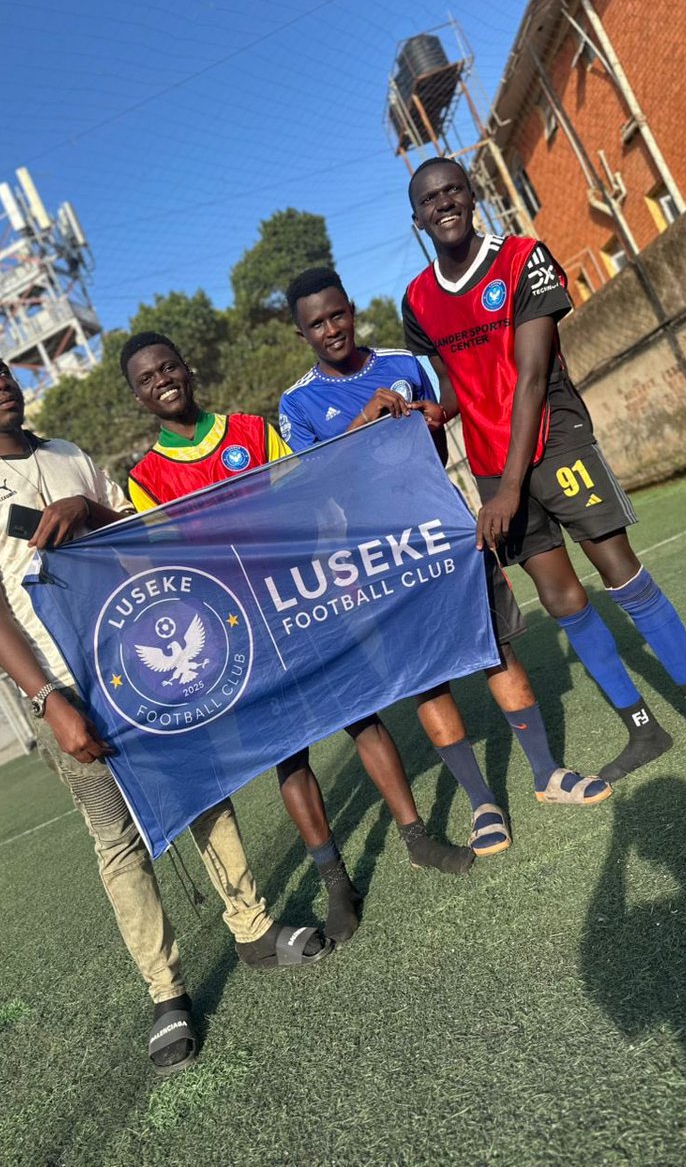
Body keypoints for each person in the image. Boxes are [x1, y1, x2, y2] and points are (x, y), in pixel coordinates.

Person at [0, 330, 334, 1078]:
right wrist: (49, 699)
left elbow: (135, 541)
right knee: (117, 841)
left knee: (205, 798)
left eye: (2, 371)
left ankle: (252, 928)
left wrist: (90, 506)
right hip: (63, 689)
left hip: (139, 670)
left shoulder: (70, 455)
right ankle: (168, 994)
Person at [401, 157, 686, 784]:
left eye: (454, 189)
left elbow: (530, 376)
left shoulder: (522, 258)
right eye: (431, 199)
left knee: (619, 572)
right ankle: (643, 728)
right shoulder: (418, 300)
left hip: (552, 441)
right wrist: (434, 412)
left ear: (473, 194)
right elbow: (462, 383)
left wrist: (508, 489)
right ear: (417, 217)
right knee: (562, 598)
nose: (444, 203)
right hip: (490, 463)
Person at [120, 330, 475, 942]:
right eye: (148, 379)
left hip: (300, 601)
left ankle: (417, 837)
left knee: (363, 717)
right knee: (291, 753)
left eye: (168, 367)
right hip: (242, 630)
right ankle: (338, 882)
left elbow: (305, 500)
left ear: (189, 367)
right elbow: (175, 571)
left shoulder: (252, 434)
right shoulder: (144, 480)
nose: (163, 381)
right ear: (140, 398)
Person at [279, 267, 610, 859]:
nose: (332, 329)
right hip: (380, 556)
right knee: (428, 676)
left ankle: (546, 773)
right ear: (301, 332)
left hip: (444, 532)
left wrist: (426, 420)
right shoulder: (298, 402)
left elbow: (433, 448)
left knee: (496, 647)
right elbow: (313, 487)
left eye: (338, 315)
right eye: (317, 323)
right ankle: (483, 802)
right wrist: (362, 424)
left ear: (352, 309)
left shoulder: (403, 364)